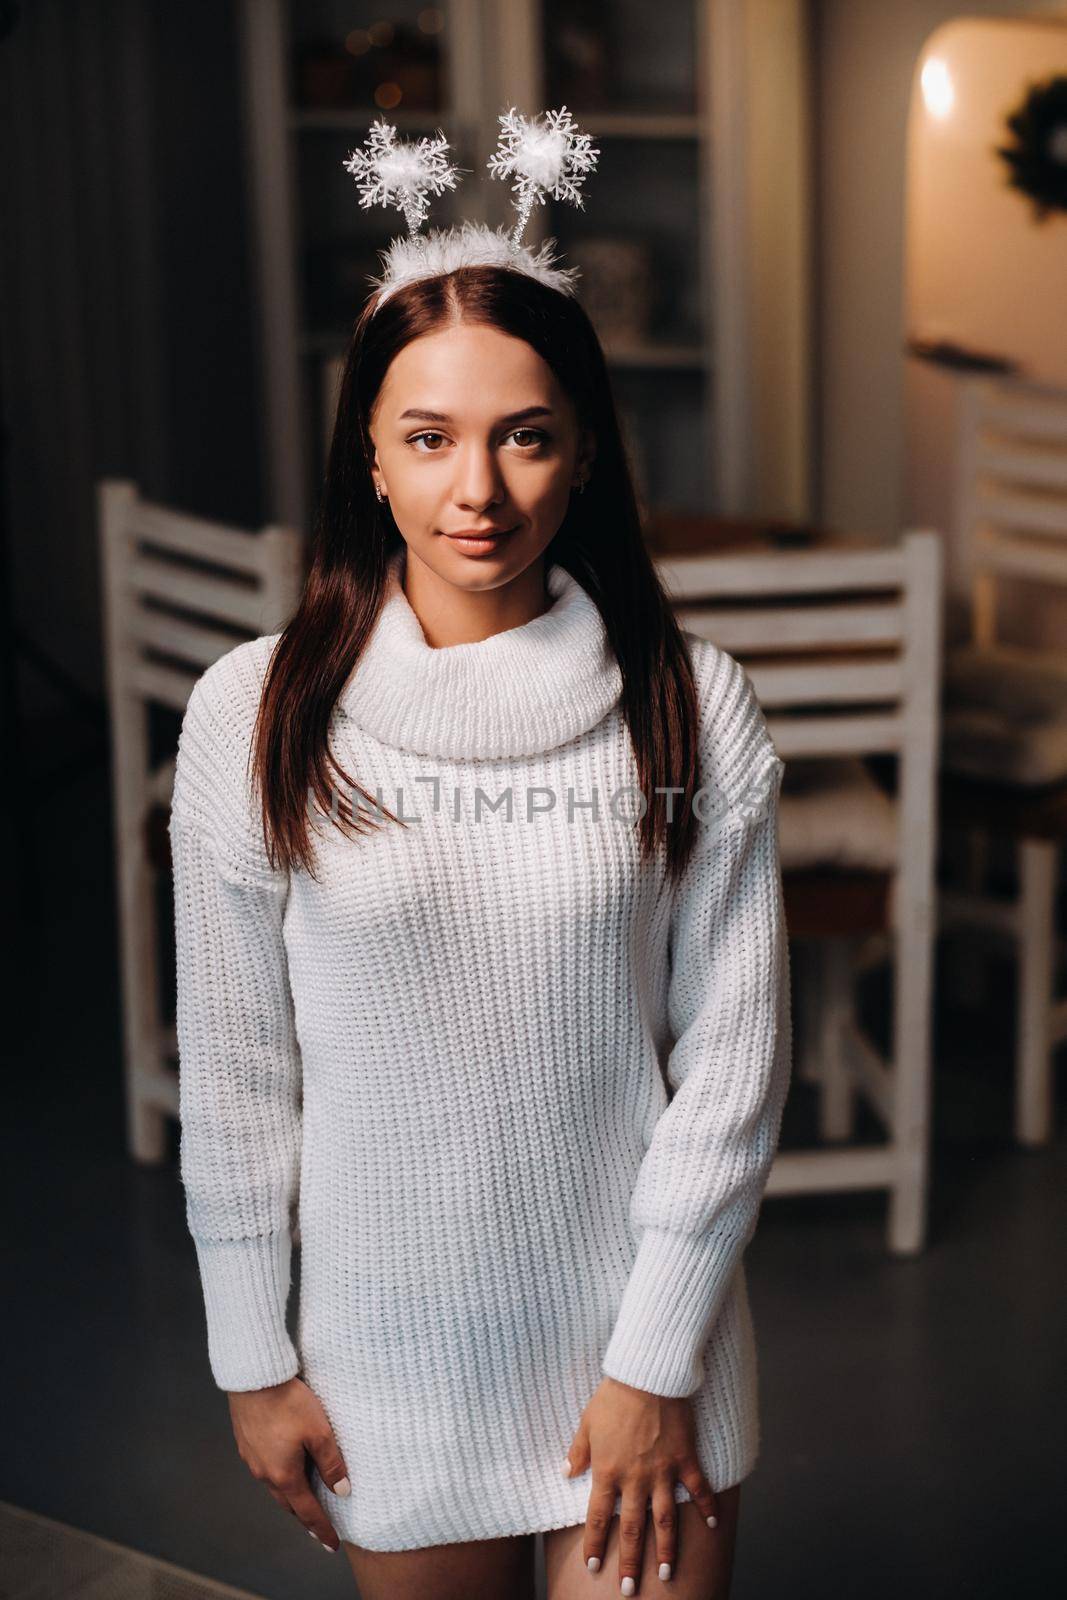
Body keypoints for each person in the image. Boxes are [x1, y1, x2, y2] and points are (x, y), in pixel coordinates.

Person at [170, 117, 791, 1600]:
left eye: (524, 434)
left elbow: (733, 1068)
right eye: (429, 438)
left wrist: (655, 1367)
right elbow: (238, 1069)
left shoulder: (686, 699)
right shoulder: (257, 712)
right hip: (391, 1346)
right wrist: (253, 1359)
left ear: (582, 454)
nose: (479, 492)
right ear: (367, 463)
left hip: (644, 1342)